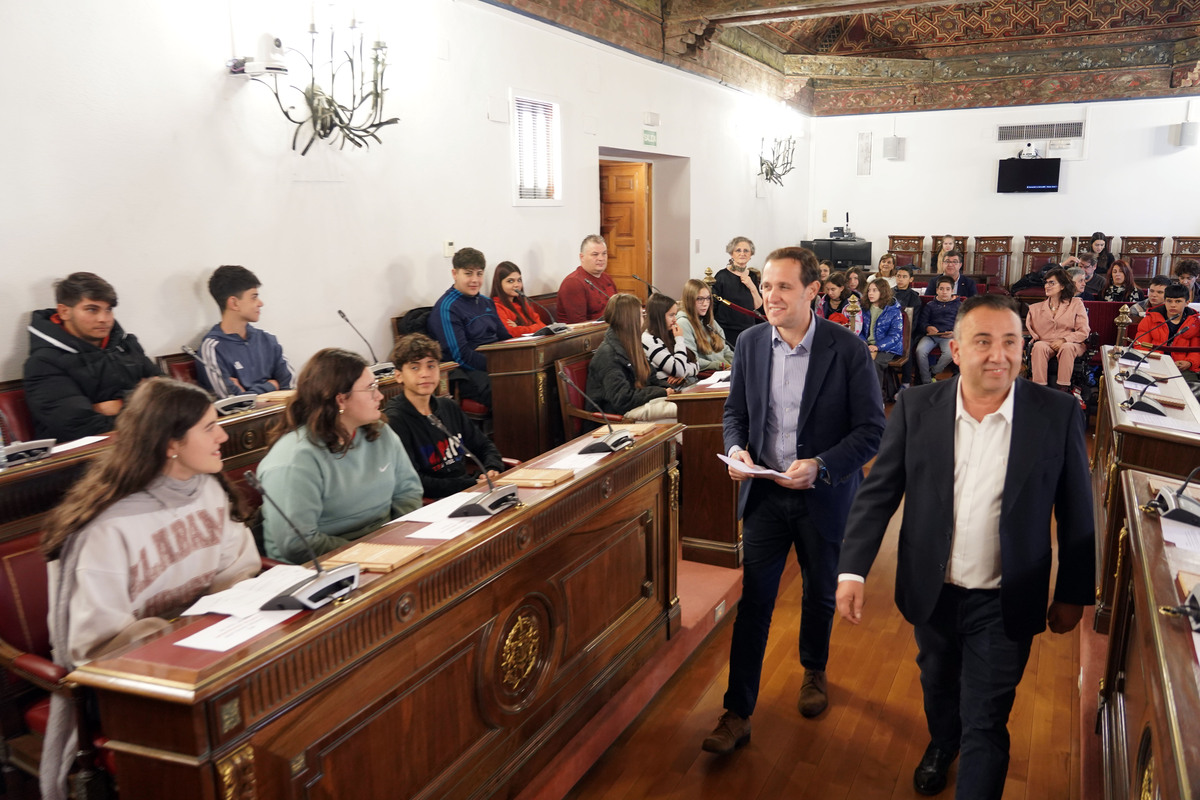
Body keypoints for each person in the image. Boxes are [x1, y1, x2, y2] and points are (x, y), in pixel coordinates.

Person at [836, 293, 1094, 800]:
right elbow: (878, 493)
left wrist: (1073, 593)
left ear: (1024, 348)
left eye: (1010, 342)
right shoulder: (916, 406)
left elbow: (1077, 512)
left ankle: (967, 755)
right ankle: (941, 742)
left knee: (988, 719)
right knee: (937, 683)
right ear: (955, 349)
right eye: (983, 342)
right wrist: (852, 570)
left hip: (1006, 598)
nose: (998, 355)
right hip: (933, 589)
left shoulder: (1056, 413)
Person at [701, 246, 884, 755]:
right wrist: (735, 448)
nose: (771, 296)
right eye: (767, 287)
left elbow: (872, 430)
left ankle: (814, 670)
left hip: (822, 495)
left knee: (819, 592)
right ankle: (737, 712)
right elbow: (735, 412)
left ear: (812, 292)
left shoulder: (847, 349)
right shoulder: (752, 344)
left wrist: (822, 466)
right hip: (764, 495)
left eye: (784, 287)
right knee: (755, 603)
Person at [39, 378, 260, 800]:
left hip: (208, 649)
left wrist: (212, 620)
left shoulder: (208, 489)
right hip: (135, 684)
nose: (224, 435)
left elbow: (238, 568)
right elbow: (91, 647)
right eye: (210, 427)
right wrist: (183, 633)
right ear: (170, 443)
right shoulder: (106, 528)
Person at [256, 348, 422, 563]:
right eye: (370, 388)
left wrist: (393, 542)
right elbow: (298, 545)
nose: (379, 396)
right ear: (340, 400)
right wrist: (369, 553)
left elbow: (409, 492)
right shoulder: (294, 459)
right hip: (320, 568)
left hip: (385, 551)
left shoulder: (380, 432)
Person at [24, 271, 161, 441]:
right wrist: (147, 402)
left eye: (108, 310)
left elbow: (171, 395)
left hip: (146, 443)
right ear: (64, 311)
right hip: (87, 459)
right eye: (92, 310)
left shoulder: (124, 345)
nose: (104, 319)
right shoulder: (44, 363)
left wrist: (121, 403)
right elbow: (79, 427)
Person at [385, 334, 505, 498]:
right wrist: (471, 485)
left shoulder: (448, 407)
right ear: (398, 376)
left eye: (431, 366)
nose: (424, 374)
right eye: (415, 367)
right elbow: (414, 481)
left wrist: (492, 468)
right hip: (435, 502)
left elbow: (484, 445)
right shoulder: (394, 420)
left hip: (469, 491)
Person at [429, 247, 512, 407]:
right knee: (515, 389)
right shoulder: (447, 308)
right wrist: (500, 364)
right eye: (468, 273)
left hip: (497, 366)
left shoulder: (486, 302)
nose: (475, 280)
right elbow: (460, 356)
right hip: (469, 373)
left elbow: (506, 338)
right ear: (455, 274)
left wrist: (518, 358)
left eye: (479, 274)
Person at [196, 265, 295, 398]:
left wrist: (247, 393)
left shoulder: (267, 339)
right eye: (254, 297)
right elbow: (231, 401)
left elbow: (291, 385)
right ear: (234, 303)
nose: (260, 303)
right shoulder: (212, 348)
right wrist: (272, 385)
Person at [587, 294, 678, 422]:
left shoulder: (633, 344)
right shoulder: (608, 355)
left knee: (686, 407)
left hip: (640, 404)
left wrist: (668, 389)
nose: (643, 318)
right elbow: (622, 400)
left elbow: (652, 378)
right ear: (630, 319)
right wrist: (661, 392)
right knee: (683, 411)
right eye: (641, 314)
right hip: (616, 416)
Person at [1027, 268, 1089, 391]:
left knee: (1067, 347)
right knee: (1039, 346)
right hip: (1046, 342)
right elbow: (1033, 332)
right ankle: (1039, 389)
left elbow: (1083, 331)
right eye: (1046, 283)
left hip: (1072, 343)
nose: (1047, 286)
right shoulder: (1035, 308)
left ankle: (1063, 389)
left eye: (1052, 283)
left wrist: (1064, 340)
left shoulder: (1076, 304)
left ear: (1062, 286)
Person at [1131, 283, 1200, 392]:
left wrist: (1189, 362)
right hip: (1154, 364)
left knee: (1192, 390)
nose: (1173, 305)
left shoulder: (1195, 323)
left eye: (1178, 301)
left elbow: (1196, 350)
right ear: (1164, 301)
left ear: (1187, 303)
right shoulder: (1150, 319)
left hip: (1183, 368)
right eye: (1169, 301)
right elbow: (1140, 346)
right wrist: (1158, 361)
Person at [712, 236, 764, 347]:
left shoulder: (753, 276)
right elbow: (713, 306)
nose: (742, 253)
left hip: (749, 330)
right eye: (738, 250)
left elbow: (758, 306)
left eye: (746, 251)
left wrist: (752, 286)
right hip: (726, 331)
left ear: (751, 255)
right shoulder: (722, 276)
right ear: (731, 254)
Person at [556, 235, 617, 323]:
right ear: (582, 257)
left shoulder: (607, 278)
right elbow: (579, 324)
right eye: (595, 254)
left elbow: (618, 310)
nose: (601, 258)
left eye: (604, 253)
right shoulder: (573, 282)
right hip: (586, 335)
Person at [860, 278, 905, 397]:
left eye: (874, 290)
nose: (870, 293)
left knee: (875, 363)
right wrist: (863, 342)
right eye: (869, 290)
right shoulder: (863, 308)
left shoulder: (893, 311)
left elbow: (895, 336)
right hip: (867, 345)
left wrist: (877, 346)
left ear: (883, 292)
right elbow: (858, 329)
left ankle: (876, 398)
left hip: (887, 347)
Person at [676, 278, 734, 371]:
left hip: (722, 372)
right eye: (699, 299)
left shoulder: (710, 321)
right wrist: (720, 365)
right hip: (704, 376)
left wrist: (736, 362)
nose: (705, 303)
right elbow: (692, 360)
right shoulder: (683, 323)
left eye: (708, 298)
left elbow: (726, 350)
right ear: (689, 300)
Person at [642, 292, 699, 386]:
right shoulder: (648, 340)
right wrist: (679, 339)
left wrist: (682, 372)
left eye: (675, 315)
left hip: (683, 384)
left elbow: (696, 364)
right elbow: (679, 370)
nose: (675, 320)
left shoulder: (668, 333)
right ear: (659, 317)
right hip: (667, 390)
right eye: (671, 315)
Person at [915, 276, 962, 384]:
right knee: (920, 351)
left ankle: (933, 372)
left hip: (948, 336)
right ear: (937, 291)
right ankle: (926, 381)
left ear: (952, 291)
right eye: (941, 289)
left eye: (947, 289)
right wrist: (927, 327)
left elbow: (963, 323)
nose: (944, 292)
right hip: (931, 336)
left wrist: (955, 333)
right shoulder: (930, 305)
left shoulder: (959, 305)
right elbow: (922, 322)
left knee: (950, 353)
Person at [491, 261, 554, 336]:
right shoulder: (497, 306)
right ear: (499, 284)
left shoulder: (521, 302)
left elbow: (542, 326)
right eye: (510, 281)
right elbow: (511, 332)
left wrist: (521, 328)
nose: (516, 285)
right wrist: (532, 328)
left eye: (519, 280)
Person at [893, 265, 925, 391]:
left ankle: (906, 382)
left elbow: (914, 322)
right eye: (898, 276)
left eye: (904, 277)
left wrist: (902, 334)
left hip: (908, 331)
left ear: (911, 279)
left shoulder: (914, 297)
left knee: (907, 346)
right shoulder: (889, 292)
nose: (900, 279)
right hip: (889, 330)